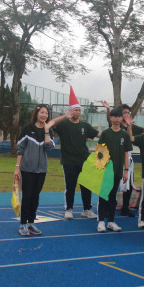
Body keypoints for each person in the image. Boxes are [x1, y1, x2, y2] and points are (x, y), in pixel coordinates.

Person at [53, 88, 100, 220]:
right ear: (70, 111)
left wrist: (114, 131)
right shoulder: (64, 124)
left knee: (86, 186)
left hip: (84, 160)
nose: (77, 112)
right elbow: (52, 124)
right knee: (70, 186)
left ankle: (87, 209)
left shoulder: (85, 125)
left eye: (79, 110)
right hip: (69, 161)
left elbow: (99, 134)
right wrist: (65, 116)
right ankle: (69, 209)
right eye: (75, 110)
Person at [15, 104, 60, 236]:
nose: (44, 115)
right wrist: (17, 167)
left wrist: (46, 131)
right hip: (27, 169)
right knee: (27, 196)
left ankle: (31, 223)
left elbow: (48, 147)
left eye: (46, 113)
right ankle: (23, 224)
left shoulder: (48, 131)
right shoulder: (28, 129)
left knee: (35, 197)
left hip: (42, 170)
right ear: (36, 113)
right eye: (42, 112)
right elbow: (20, 148)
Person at [101, 101, 142, 217]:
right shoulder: (114, 126)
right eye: (124, 113)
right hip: (114, 159)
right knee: (111, 185)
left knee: (128, 185)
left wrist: (130, 125)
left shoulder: (129, 126)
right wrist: (108, 109)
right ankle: (107, 209)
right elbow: (110, 119)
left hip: (127, 158)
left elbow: (129, 139)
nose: (126, 115)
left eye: (128, 113)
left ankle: (125, 208)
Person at [97, 107, 132, 232]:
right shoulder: (105, 133)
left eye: (119, 116)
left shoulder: (125, 135)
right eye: (114, 116)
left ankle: (111, 222)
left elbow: (126, 153)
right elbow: (99, 151)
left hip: (117, 171)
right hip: (105, 171)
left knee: (113, 197)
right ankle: (101, 221)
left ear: (122, 118)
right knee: (103, 196)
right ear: (110, 118)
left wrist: (126, 170)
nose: (116, 119)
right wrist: (100, 168)